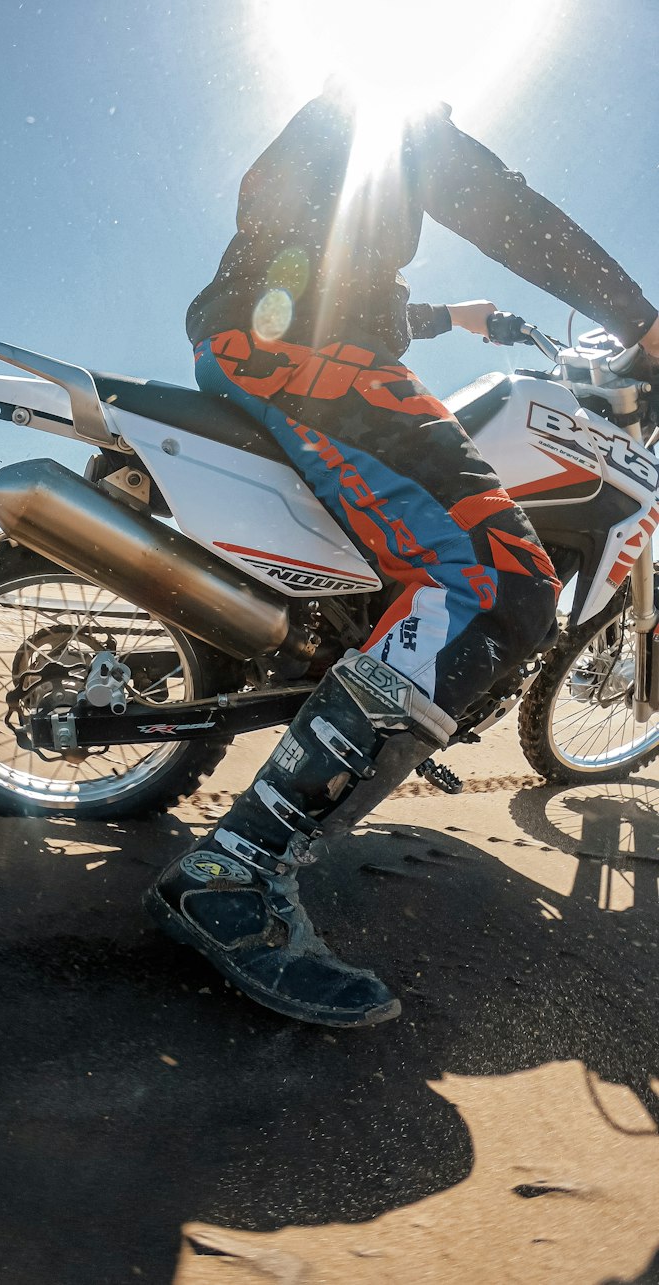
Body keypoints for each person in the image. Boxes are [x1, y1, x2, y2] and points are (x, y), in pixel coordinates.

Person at [143, 81, 659, 1028]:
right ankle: (231, 873)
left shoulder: (343, 135)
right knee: (499, 583)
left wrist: (450, 320)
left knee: (442, 560)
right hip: (305, 350)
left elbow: (320, 253)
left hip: (284, 333)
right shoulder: (388, 103)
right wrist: (639, 318)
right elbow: (503, 205)